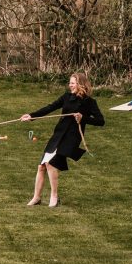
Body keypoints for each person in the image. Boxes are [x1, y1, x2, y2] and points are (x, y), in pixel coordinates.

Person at [20, 72, 105, 207]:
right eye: (70, 83)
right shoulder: (66, 97)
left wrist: (83, 118)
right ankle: (36, 197)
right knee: (41, 166)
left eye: (72, 83)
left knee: (51, 163)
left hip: (71, 137)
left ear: (80, 84)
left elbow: (101, 121)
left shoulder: (89, 102)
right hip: (58, 134)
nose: (69, 85)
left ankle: (54, 196)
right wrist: (31, 115)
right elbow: (50, 107)